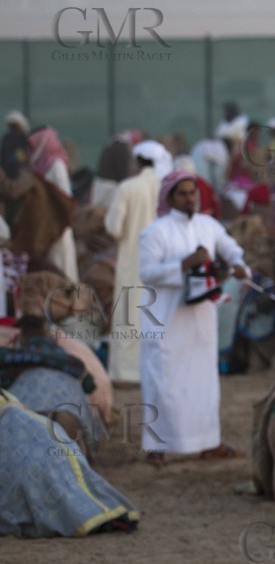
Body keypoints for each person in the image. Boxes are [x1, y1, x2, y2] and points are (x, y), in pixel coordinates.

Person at [138, 170, 250, 465]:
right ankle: (156, 446)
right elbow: (147, 273)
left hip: (201, 321)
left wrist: (238, 264)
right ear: (170, 198)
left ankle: (208, 443)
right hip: (165, 320)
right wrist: (183, 264)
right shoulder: (156, 232)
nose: (190, 199)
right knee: (163, 382)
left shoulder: (208, 225)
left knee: (204, 383)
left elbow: (231, 249)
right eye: (183, 194)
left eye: (193, 192)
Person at [104, 141, 166, 385]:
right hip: (161, 263)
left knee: (128, 313)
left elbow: (114, 228)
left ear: (138, 161)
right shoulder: (166, 187)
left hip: (132, 261)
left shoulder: (127, 187)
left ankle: (126, 373)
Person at [29, 127, 78, 281]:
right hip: (45, 228)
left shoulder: (56, 165)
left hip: (58, 228)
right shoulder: (40, 166)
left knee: (61, 269)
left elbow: (64, 198)